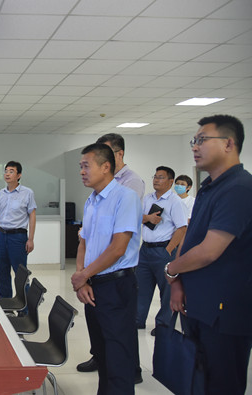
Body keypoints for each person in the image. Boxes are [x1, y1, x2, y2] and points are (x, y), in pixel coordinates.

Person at [165, 115, 252, 395]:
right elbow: (191, 236)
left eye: (202, 140)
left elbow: (209, 251)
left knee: (221, 384)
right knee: (199, 381)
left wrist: (172, 269)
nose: (195, 146)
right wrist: (177, 282)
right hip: (199, 305)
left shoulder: (239, 188)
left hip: (224, 314)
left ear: (229, 144)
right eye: (194, 140)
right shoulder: (209, 187)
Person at [71, 143, 142, 395]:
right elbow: (84, 242)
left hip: (116, 285)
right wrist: (82, 278)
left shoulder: (125, 197)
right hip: (94, 286)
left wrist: (83, 275)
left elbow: (118, 248)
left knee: (118, 357)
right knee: (102, 354)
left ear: (106, 167)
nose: (82, 171)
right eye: (80, 166)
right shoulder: (91, 201)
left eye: (86, 166)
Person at [136, 166, 187, 336]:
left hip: (163, 250)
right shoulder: (147, 198)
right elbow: (137, 217)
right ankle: (138, 319)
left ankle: (163, 324)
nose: (156, 180)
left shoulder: (175, 201)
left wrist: (169, 249)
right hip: (145, 249)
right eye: (155, 176)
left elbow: (182, 228)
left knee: (166, 290)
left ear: (170, 182)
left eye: (161, 177)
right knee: (141, 287)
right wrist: (148, 218)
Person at [0, 161, 36, 299]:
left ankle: (25, 308)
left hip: (17, 237)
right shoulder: (1, 193)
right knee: (2, 273)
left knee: (20, 275)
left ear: (19, 175)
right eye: (6, 171)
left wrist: (31, 239)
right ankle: (6, 305)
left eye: (11, 171)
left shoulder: (27, 193)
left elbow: (32, 215)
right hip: (1, 235)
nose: (7, 174)